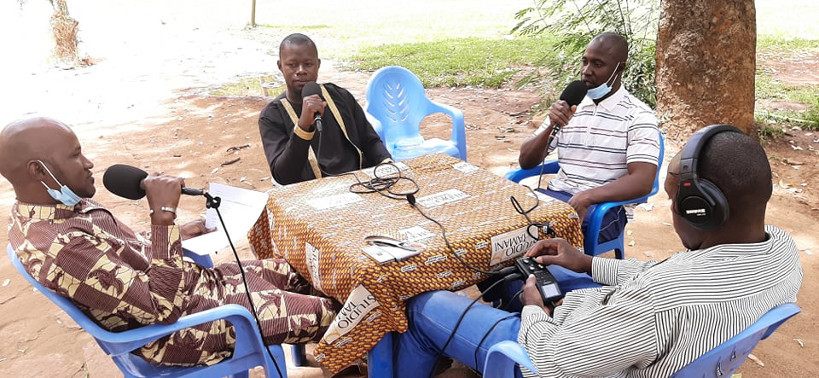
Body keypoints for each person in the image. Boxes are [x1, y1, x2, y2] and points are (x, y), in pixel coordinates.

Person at [395, 125, 803, 377]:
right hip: (619, 337)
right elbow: (669, 274)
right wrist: (587, 262)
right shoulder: (781, 251)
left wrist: (536, 311)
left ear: (702, 209)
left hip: (551, 359)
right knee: (521, 274)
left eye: (674, 198)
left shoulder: (661, 301)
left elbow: (555, 364)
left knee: (424, 305)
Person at [1, 117, 339, 367]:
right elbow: (161, 308)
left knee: (304, 270)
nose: (89, 164)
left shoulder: (55, 205)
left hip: (193, 289)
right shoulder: (59, 249)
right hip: (177, 331)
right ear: (39, 171)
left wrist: (174, 233)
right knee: (339, 314)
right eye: (76, 156)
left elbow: (116, 256)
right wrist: (163, 218)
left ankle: (342, 355)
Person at [518, 32, 660, 244]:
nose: (586, 71)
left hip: (602, 210)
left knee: (531, 238)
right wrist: (552, 125)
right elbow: (526, 161)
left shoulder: (638, 116)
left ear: (619, 69)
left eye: (597, 64)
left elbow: (643, 181)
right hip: (556, 200)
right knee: (504, 224)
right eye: (585, 61)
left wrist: (588, 197)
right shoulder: (571, 106)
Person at [258, 33, 391, 185]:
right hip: (310, 194)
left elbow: (370, 141)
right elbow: (284, 176)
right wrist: (303, 127)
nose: (301, 70)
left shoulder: (341, 97)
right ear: (280, 66)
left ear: (318, 64)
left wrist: (387, 165)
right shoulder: (271, 116)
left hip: (359, 184)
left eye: (308, 64)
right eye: (292, 65)